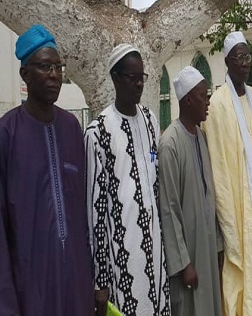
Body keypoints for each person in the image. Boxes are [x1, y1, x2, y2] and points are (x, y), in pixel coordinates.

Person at [0, 25, 94, 315]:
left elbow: (82, 212)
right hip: (29, 284)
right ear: (25, 75)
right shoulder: (7, 132)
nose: (54, 74)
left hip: (76, 279)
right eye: (44, 66)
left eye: (58, 66)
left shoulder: (71, 128)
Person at [85, 44, 170, 316]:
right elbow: (95, 211)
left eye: (141, 77)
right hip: (122, 256)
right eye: (132, 77)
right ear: (115, 79)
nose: (138, 84)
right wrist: (100, 281)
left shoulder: (149, 120)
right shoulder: (98, 132)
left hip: (156, 250)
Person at [203, 31, 252, 315]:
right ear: (227, 62)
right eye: (239, 57)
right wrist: (229, 222)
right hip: (237, 209)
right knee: (239, 279)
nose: (245, 63)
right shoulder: (218, 105)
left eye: (248, 57)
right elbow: (218, 167)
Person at [159, 66, 222, 316]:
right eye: (203, 96)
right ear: (187, 100)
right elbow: (169, 208)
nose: (208, 102)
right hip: (189, 257)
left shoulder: (201, 136)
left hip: (206, 248)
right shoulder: (170, 144)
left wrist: (217, 244)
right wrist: (184, 263)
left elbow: (210, 196)